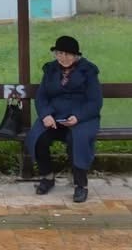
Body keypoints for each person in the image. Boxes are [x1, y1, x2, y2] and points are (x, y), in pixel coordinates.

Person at [25, 35, 102, 203]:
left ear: (76, 56)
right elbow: (41, 97)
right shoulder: (50, 70)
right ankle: (47, 177)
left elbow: (95, 102)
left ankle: (80, 185)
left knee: (77, 140)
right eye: (59, 53)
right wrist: (45, 115)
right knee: (38, 138)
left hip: (81, 118)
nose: (63, 58)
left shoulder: (88, 71)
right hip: (54, 117)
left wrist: (78, 116)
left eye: (68, 54)